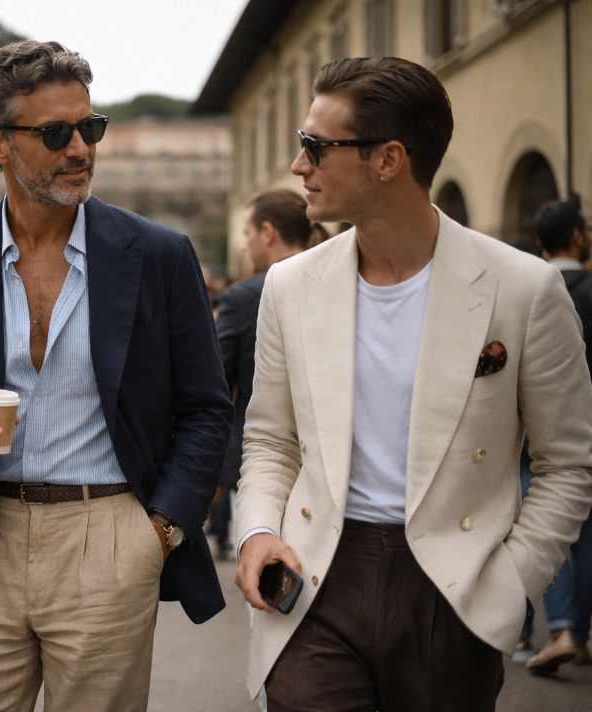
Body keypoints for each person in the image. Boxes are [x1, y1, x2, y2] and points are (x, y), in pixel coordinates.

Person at [232, 56, 592, 710]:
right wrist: (257, 530)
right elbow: (270, 441)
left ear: (389, 159)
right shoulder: (290, 286)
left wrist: (512, 583)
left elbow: (566, 463)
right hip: (317, 581)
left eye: (315, 146)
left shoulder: (523, 289)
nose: (298, 165)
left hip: (453, 585)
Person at [0, 40, 232, 712]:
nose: (81, 148)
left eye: (91, 127)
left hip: (109, 532)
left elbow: (206, 409)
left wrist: (159, 533)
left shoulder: (161, 255)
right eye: (56, 133)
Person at [212, 189, 309, 560]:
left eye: (249, 234)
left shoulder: (243, 296)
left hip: (266, 449)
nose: (246, 244)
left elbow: (216, 377)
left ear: (268, 233)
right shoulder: (337, 279)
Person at [521, 198, 592, 674]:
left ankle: (556, 628)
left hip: (531, 437)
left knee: (536, 528)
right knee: (584, 535)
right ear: (577, 237)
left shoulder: (523, 290)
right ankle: (575, 632)